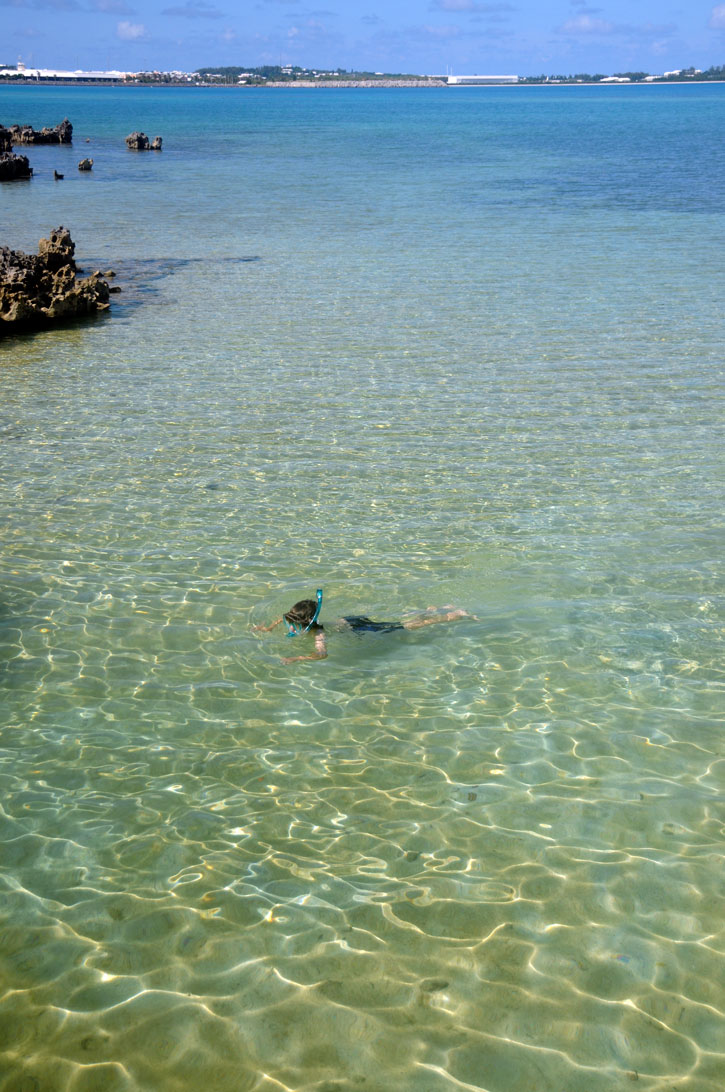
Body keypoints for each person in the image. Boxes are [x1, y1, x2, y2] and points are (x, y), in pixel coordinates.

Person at [253, 590, 472, 663]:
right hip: (350, 620)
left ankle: (454, 614)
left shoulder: (319, 632)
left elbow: (322, 654)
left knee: (405, 626)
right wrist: (268, 628)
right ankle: (433, 608)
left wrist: (296, 658)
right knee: (397, 621)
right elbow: (282, 619)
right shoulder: (299, 620)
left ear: (305, 624)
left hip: (358, 629)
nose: (288, 622)